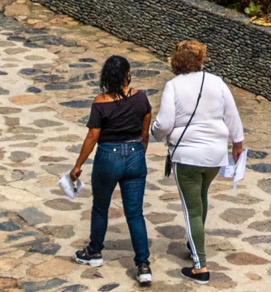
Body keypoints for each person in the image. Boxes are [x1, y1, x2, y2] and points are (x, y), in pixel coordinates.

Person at [150, 39, 242, 283]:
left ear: (176, 61)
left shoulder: (173, 86)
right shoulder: (216, 82)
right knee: (201, 199)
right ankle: (194, 244)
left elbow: (165, 123)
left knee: (192, 209)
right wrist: (238, 143)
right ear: (201, 59)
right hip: (215, 155)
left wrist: (154, 131)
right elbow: (231, 114)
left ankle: (200, 267)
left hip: (187, 156)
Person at [68, 53, 154, 284]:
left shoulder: (100, 102)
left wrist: (78, 165)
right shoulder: (142, 99)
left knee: (100, 207)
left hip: (108, 157)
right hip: (135, 154)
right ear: (128, 75)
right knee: (135, 213)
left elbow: (92, 136)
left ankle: (94, 251)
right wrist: (138, 153)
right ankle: (143, 265)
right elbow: (145, 132)